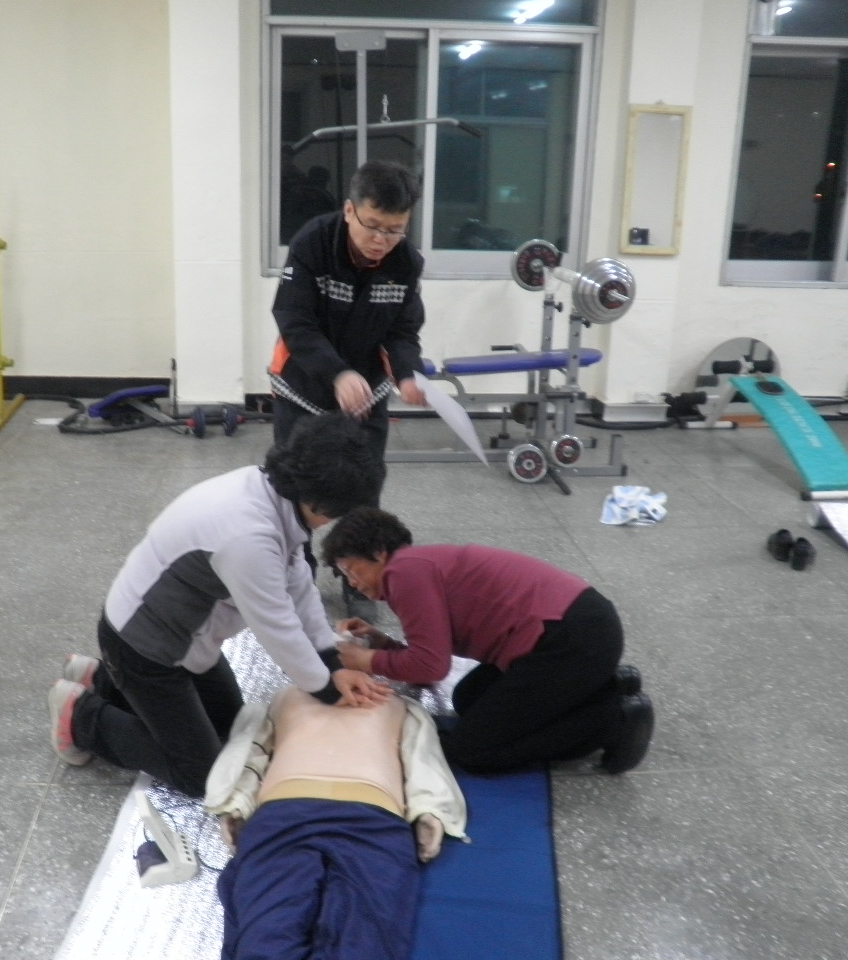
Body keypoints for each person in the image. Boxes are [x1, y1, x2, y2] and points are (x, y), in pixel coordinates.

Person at [46, 413, 392, 799]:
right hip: (145, 650)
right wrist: (327, 688)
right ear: (320, 501)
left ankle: (103, 681)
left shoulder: (274, 492)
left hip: (182, 638)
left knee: (230, 725)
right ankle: (81, 717)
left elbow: (299, 585)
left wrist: (330, 660)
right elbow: (276, 625)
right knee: (202, 775)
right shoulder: (248, 536)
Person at [321, 507, 654, 775]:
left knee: (471, 751)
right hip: (578, 628)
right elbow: (429, 657)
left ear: (379, 553)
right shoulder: (415, 566)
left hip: (570, 639)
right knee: (469, 698)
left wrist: (366, 661)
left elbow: (431, 667)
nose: (353, 583)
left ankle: (615, 720)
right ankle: (610, 682)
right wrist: (381, 643)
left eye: (352, 570)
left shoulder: (404, 573)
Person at [268, 159, 429, 617]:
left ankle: (357, 578)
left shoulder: (406, 262)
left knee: (363, 487)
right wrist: (337, 373)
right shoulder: (313, 243)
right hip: (303, 384)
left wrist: (408, 374)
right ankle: (295, 573)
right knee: (294, 486)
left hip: (365, 394)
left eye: (394, 230)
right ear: (349, 210)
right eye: (373, 226)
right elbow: (294, 319)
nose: (381, 240)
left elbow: (402, 332)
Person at [205, 684, 467, 960]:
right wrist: (237, 803)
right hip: (289, 817)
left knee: (364, 943)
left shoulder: (397, 705)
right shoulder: (287, 697)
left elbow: (422, 756)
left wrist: (429, 810)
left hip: (368, 822)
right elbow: (250, 750)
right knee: (266, 937)